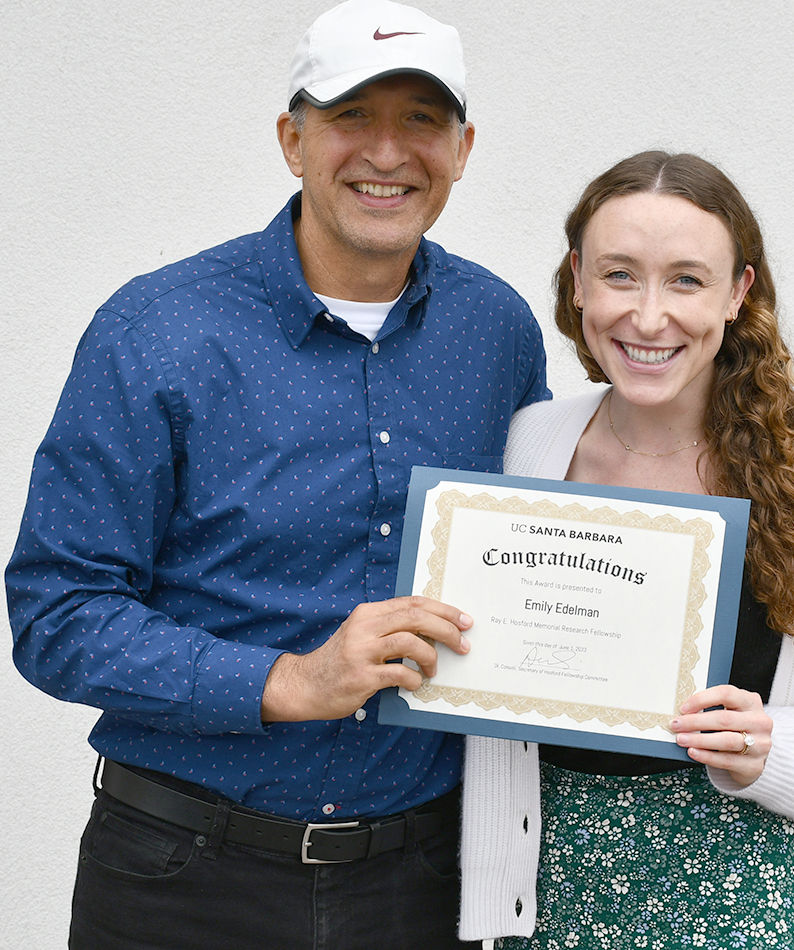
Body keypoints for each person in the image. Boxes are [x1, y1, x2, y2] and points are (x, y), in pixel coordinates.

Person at [5, 2, 548, 948]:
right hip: (181, 882)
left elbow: (535, 561)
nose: (388, 152)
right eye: (350, 117)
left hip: (424, 885)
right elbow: (57, 613)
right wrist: (286, 681)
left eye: (421, 119)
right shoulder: (155, 333)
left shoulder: (496, 331)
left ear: (464, 148)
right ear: (292, 139)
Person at [458, 151, 794, 950]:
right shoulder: (529, 444)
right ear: (576, 280)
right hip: (547, 889)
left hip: (745, 890)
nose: (649, 318)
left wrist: (774, 745)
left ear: (739, 292)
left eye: (686, 280)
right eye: (620, 275)